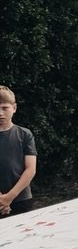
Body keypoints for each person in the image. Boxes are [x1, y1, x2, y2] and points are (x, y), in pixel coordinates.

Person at [0, 86, 37, 216]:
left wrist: (9, 197)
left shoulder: (25, 134)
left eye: (5, 108)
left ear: (14, 108)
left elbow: (30, 169)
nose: (0, 113)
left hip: (21, 198)